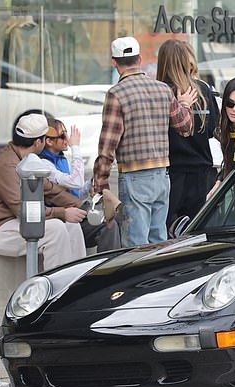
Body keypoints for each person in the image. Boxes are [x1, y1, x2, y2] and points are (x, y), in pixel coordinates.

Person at [92, 36, 197, 247]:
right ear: (140, 59)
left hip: (134, 177)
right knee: (158, 243)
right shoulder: (162, 89)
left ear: (114, 62)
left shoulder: (116, 94)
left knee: (135, 247)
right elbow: (185, 127)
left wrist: (100, 182)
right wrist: (185, 105)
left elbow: (108, 146)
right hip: (162, 176)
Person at [0, 113, 86, 271]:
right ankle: (55, 291)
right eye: (45, 139)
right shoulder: (7, 165)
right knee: (56, 229)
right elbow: (22, 210)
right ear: (38, 142)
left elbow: (51, 190)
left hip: (14, 224)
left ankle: (76, 286)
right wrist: (62, 213)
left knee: (72, 226)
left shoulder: (27, 159)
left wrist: (84, 206)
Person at [156, 39, 220, 230]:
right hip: (203, 173)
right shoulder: (204, 90)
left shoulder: (162, 92)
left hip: (172, 174)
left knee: (169, 235)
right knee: (200, 233)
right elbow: (212, 130)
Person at [40, 117, 121, 252]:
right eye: (62, 136)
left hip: (76, 212)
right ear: (48, 141)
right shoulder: (44, 164)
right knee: (109, 226)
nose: (68, 138)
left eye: (67, 133)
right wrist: (75, 147)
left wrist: (91, 184)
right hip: (64, 219)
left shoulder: (60, 159)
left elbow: (75, 191)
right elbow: (75, 182)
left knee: (117, 218)